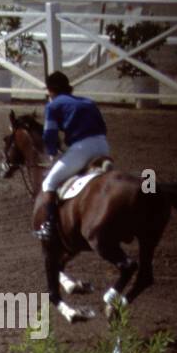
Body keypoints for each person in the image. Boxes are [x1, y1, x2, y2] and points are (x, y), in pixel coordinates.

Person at [36, 71, 112, 245]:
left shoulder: (53, 105)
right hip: (103, 145)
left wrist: (51, 151)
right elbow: (103, 127)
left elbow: (50, 134)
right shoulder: (88, 102)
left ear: (51, 90)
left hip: (81, 148)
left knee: (49, 183)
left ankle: (49, 225)